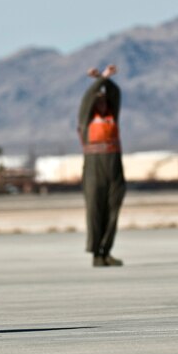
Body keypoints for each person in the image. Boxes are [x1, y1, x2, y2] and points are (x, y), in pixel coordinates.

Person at [77, 64, 126, 267]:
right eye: (99, 101)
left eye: (104, 100)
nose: (103, 103)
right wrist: (99, 79)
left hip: (114, 165)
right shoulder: (87, 119)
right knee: (95, 210)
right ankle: (96, 253)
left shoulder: (112, 116)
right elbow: (87, 99)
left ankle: (107, 251)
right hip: (93, 167)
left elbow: (116, 93)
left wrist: (105, 80)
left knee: (113, 209)